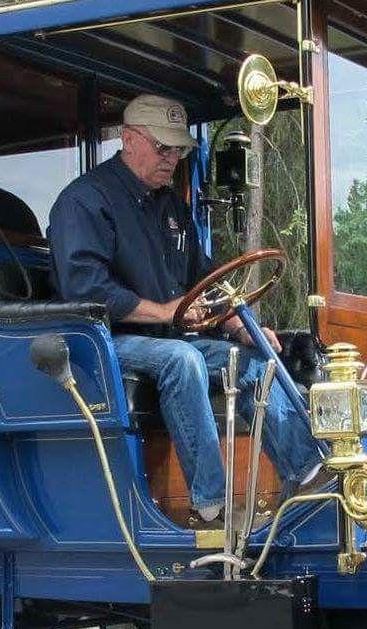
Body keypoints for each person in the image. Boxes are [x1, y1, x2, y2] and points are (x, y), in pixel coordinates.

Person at [48, 93, 325, 524]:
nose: (171, 159)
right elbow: (85, 290)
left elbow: (205, 277)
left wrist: (238, 326)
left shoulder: (170, 206)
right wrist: (164, 311)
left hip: (168, 336)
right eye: (163, 147)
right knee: (183, 360)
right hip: (103, 342)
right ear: (129, 139)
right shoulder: (84, 201)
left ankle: (311, 479)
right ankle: (211, 508)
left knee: (251, 360)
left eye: (178, 149)